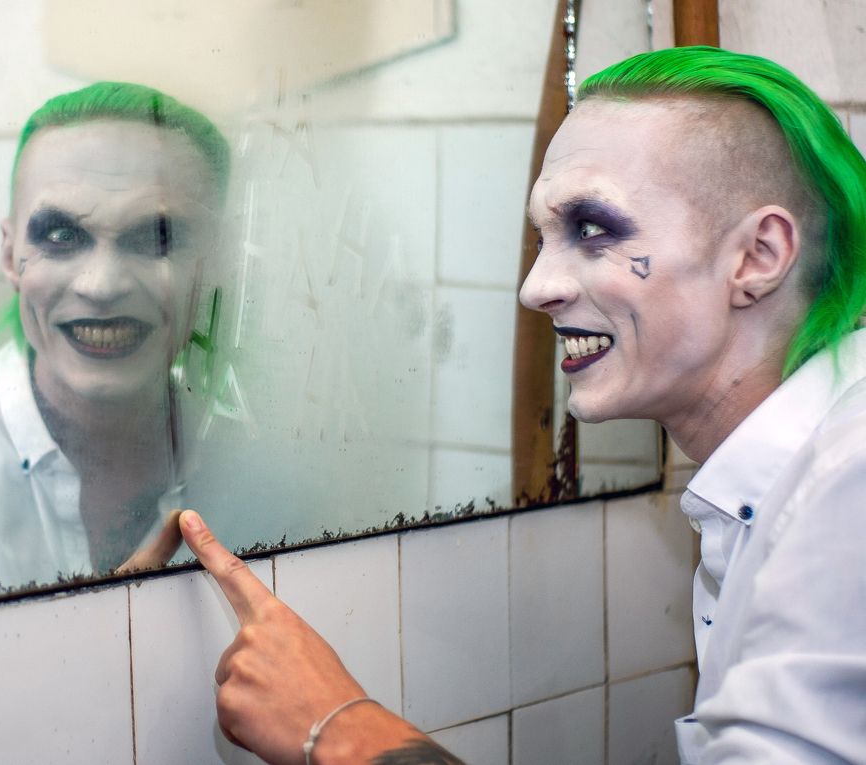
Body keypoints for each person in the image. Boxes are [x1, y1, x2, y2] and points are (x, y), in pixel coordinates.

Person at [174, 46, 866, 764]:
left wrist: (339, 728)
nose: (536, 288)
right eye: (543, 237)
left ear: (758, 256)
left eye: (592, 230)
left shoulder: (850, 484)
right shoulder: (785, 490)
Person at [0, 82, 231, 596]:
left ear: (216, 265)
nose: (101, 286)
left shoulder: (254, 469)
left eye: (155, 238)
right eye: (62, 236)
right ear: (9, 256)